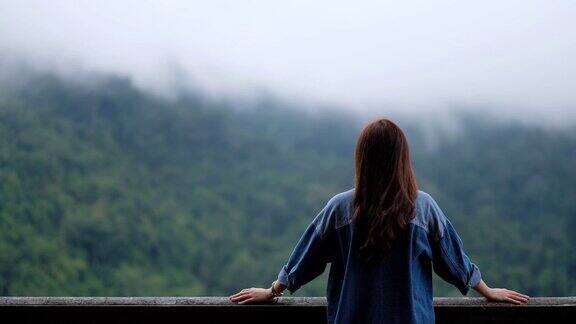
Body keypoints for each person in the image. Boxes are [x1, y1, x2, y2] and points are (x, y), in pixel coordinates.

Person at [230, 118, 529, 323]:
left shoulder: (339, 209)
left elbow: (305, 259)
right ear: (403, 159)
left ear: (363, 158)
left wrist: (272, 291)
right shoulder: (424, 209)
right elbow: (454, 261)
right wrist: (487, 291)